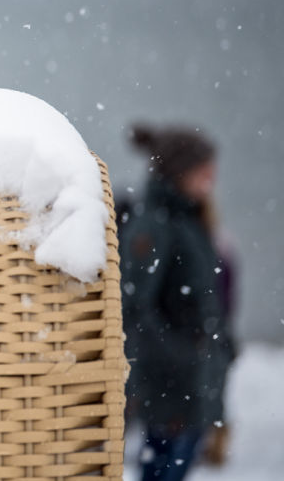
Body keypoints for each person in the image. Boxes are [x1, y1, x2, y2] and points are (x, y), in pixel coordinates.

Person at [121, 124, 235, 481]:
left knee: (177, 466)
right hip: (169, 384)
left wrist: (221, 346)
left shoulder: (188, 219)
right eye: (203, 169)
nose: (211, 177)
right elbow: (134, 304)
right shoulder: (155, 223)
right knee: (162, 471)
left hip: (192, 380)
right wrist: (179, 355)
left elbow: (205, 297)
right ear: (179, 171)